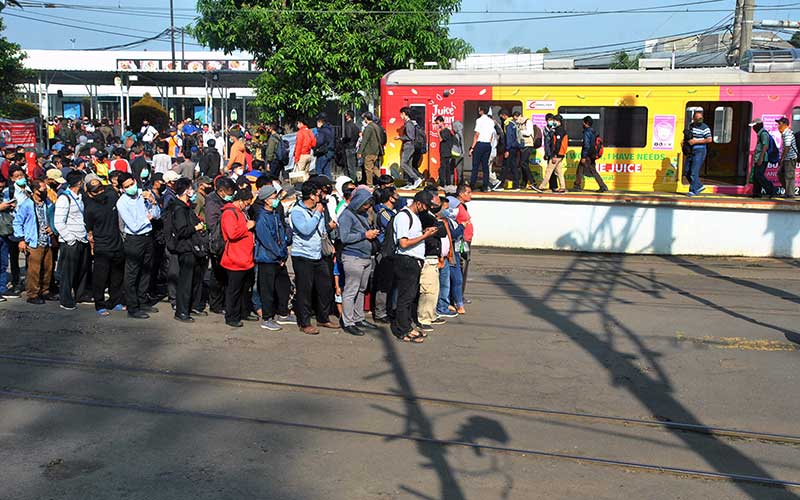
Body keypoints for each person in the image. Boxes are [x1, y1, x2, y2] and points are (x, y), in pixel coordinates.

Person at [290, 181, 338, 335]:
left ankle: (323, 318)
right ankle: (304, 323)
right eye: (318, 194)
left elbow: (321, 230)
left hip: (318, 254)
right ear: (311, 196)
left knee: (325, 287)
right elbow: (305, 229)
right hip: (303, 256)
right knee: (305, 290)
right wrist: (317, 213)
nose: (320, 197)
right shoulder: (297, 211)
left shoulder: (319, 210)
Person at [391, 190, 439, 343]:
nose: (426, 209)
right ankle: (402, 330)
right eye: (425, 206)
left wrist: (424, 232)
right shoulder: (403, 217)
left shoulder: (415, 217)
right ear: (418, 203)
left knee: (410, 296)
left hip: (414, 260)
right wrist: (425, 236)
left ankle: (407, 327)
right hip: (406, 260)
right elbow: (403, 243)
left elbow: (412, 237)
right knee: (405, 298)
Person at [117, 172, 161, 319]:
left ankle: (143, 301)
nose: (131, 187)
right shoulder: (122, 202)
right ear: (122, 189)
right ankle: (132, 306)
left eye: (131, 184)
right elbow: (133, 225)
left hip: (148, 236)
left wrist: (153, 202)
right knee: (132, 274)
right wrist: (148, 218)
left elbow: (157, 214)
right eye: (127, 186)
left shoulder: (144, 194)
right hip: (134, 239)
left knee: (147, 270)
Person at [338, 188, 380, 336]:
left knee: (361, 289)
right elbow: (344, 237)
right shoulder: (346, 216)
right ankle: (348, 322)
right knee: (351, 290)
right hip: (353, 257)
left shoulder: (362, 215)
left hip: (365, 257)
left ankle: (358, 317)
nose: (367, 207)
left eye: (368, 204)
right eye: (365, 204)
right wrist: (365, 235)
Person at [253, 184, 294, 331]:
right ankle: (267, 318)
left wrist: (283, 253)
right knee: (267, 290)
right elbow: (267, 240)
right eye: (273, 197)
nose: (276, 199)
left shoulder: (276, 214)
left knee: (283, 286)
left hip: (278, 257)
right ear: (266, 200)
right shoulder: (262, 218)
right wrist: (279, 254)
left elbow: (281, 233)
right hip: (267, 258)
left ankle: (283, 313)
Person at [84, 177, 125, 316]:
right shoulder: (89, 208)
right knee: (100, 278)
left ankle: (116, 300)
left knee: (117, 276)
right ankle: (100, 304)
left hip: (117, 243)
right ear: (90, 193)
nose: (100, 192)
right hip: (102, 245)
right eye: (96, 191)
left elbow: (112, 186)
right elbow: (89, 229)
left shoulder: (111, 197)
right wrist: (92, 245)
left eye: (101, 188)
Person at [167, 177, 205, 323]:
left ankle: (189, 307)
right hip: (185, 248)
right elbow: (182, 230)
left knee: (193, 279)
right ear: (184, 191)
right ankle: (181, 311)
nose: (192, 191)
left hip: (191, 247)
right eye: (190, 188)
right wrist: (196, 227)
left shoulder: (186, 206)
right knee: (185, 281)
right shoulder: (178, 208)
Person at [12, 179, 54, 304]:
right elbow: (17, 222)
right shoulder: (27, 204)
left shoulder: (47, 203)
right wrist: (21, 239)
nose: (45, 191)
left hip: (46, 240)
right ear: (35, 191)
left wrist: (52, 228)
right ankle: (33, 294)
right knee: (34, 270)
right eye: (43, 189)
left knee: (48, 268)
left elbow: (52, 217)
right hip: (33, 241)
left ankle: (45, 291)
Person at [221, 185, 255, 328]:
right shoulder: (230, 213)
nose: (247, 206)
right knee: (233, 290)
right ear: (240, 200)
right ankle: (231, 316)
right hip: (235, 259)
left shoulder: (240, 212)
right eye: (246, 203)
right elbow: (232, 233)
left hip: (245, 258)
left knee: (243, 289)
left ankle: (242, 312)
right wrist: (247, 227)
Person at [206, 176, 236, 314]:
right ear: (221, 191)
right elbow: (213, 225)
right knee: (217, 274)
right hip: (218, 243)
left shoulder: (224, 200)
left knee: (225, 275)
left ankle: (222, 301)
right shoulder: (213, 202)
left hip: (227, 243)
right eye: (229, 192)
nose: (231, 195)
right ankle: (216, 304)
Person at [372, 187, 398, 323]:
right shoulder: (384, 213)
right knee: (384, 284)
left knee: (391, 283)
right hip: (385, 251)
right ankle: (380, 312)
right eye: (395, 194)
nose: (398, 196)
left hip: (392, 251)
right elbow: (393, 227)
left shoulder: (392, 211)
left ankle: (389, 309)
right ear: (390, 197)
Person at [574, 116, 608, 193]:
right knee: (584, 170)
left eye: (583, 122)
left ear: (586, 123)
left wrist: (583, 156)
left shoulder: (587, 132)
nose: (582, 124)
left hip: (588, 156)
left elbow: (586, 145)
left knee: (585, 170)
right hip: (592, 155)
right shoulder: (594, 132)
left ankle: (578, 186)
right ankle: (577, 185)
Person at [469, 106, 495, 192]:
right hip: (488, 145)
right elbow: (491, 136)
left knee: (475, 165)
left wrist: (472, 147)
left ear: (482, 111)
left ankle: (472, 185)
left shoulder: (479, 120)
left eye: (479, 109)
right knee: (485, 166)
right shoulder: (491, 121)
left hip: (479, 144)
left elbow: (476, 135)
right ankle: (485, 186)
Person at [538, 114, 567, 193]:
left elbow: (557, 144)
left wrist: (554, 155)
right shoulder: (561, 130)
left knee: (549, 170)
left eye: (554, 120)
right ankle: (563, 186)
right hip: (560, 154)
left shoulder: (558, 131)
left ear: (558, 121)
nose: (553, 122)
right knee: (559, 172)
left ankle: (542, 186)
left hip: (557, 154)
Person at [396, 107, 423, 189]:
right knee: (409, 165)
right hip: (410, 146)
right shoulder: (410, 123)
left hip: (408, 146)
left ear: (404, 114)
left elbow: (411, 137)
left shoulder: (409, 124)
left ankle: (417, 178)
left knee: (403, 164)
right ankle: (410, 182)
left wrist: (400, 137)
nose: (400, 116)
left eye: (401, 114)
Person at [455, 183, 473, 305]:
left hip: (466, 241)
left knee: (463, 268)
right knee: (460, 268)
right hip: (462, 241)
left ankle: (460, 295)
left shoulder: (463, 206)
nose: (471, 195)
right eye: (469, 192)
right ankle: (458, 297)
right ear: (461, 194)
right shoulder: (457, 207)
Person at [686, 110, 711, 197]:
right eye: (697, 118)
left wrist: (696, 142)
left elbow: (709, 139)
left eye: (700, 118)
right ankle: (699, 186)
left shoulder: (705, 128)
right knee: (687, 171)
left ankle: (693, 190)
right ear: (693, 118)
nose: (699, 120)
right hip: (691, 150)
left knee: (694, 171)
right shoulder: (691, 126)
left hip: (700, 150)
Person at [749, 119, 775, 198]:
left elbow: (765, 146)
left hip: (762, 159)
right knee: (756, 177)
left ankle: (771, 189)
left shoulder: (763, 134)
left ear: (758, 125)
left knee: (759, 175)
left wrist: (760, 158)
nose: (753, 128)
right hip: (759, 158)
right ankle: (756, 193)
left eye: (754, 126)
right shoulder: (760, 134)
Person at [514, 111, 540, 191]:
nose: (516, 120)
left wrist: (519, 132)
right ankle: (524, 183)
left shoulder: (528, 122)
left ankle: (533, 182)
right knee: (523, 164)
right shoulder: (518, 124)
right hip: (522, 145)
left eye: (517, 118)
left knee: (523, 163)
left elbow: (528, 133)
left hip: (528, 145)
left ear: (519, 116)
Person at [495, 109, 520, 191]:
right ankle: (516, 185)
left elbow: (509, 137)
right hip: (515, 147)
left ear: (504, 115)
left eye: (501, 116)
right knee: (513, 166)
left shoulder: (508, 124)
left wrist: (507, 150)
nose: (501, 118)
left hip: (510, 148)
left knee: (505, 166)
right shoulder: (513, 122)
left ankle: (501, 184)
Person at [358, 112, 383, 186]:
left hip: (369, 151)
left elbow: (365, 141)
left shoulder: (368, 128)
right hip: (376, 151)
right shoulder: (376, 126)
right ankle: (384, 180)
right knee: (374, 168)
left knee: (368, 169)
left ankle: (369, 184)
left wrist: (360, 152)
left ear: (366, 118)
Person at [777, 116, 798, 199]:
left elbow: (787, 147)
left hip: (790, 158)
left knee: (789, 176)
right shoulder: (785, 133)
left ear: (785, 124)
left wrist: (782, 159)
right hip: (787, 158)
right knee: (781, 174)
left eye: (780, 123)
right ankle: (788, 192)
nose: (778, 125)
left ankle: (790, 194)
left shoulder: (787, 133)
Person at [314, 113, 335, 179]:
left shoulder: (322, 130)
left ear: (320, 121)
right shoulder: (331, 128)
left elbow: (319, 141)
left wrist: (318, 129)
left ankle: (320, 186)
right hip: (330, 151)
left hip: (323, 152)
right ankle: (329, 186)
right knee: (327, 171)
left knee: (319, 170)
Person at [435, 116, 455, 187]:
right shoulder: (448, 131)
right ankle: (448, 182)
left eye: (438, 123)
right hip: (447, 151)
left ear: (442, 122)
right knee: (447, 168)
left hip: (445, 152)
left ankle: (443, 183)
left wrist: (438, 132)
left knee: (443, 168)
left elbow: (441, 139)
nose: (437, 125)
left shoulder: (444, 131)